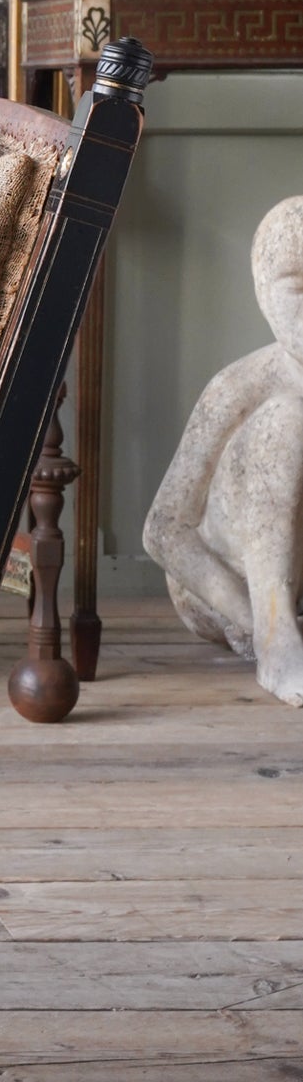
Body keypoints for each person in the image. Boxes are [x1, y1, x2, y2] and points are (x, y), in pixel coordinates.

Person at [144, 195, 303, 705]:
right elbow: (163, 529)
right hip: (220, 592)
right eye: (298, 288)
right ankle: (280, 641)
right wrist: (260, 623)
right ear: (263, 292)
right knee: (288, 421)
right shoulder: (241, 385)